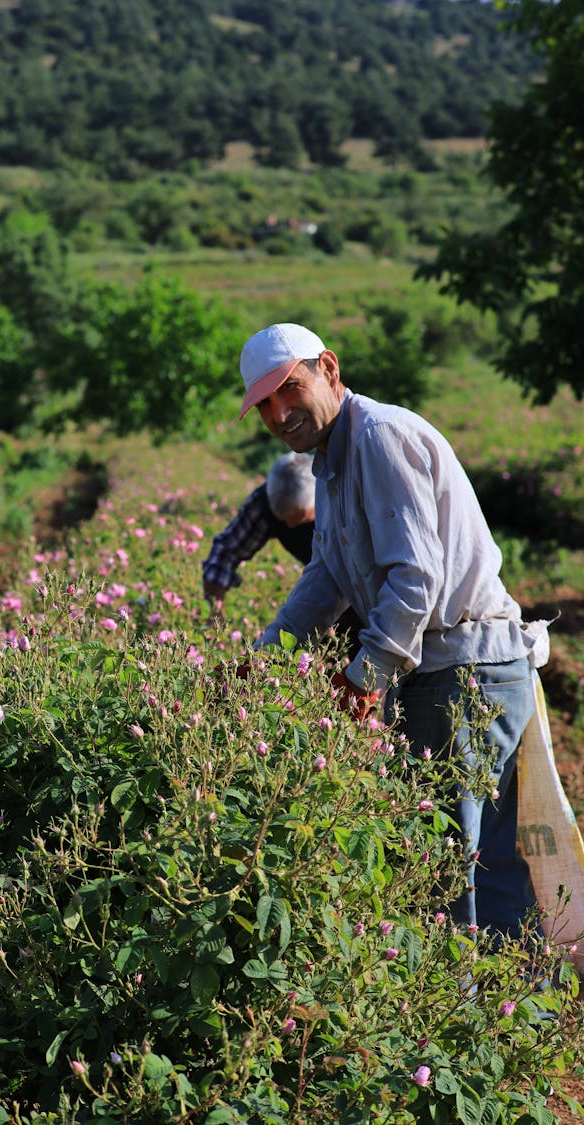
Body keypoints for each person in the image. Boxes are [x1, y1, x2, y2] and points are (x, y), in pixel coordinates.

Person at [237, 321, 547, 941]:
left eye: (289, 388)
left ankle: (470, 1025)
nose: (279, 413)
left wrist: (364, 675)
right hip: (458, 674)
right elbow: (326, 576)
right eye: (265, 404)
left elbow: (416, 577)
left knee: (445, 875)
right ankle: (513, 1018)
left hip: (464, 676)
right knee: (482, 869)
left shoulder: (378, 436)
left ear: (328, 367)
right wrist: (264, 660)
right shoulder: (332, 461)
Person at [202, 451, 316, 614]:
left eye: (298, 517)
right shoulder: (264, 502)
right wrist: (214, 614)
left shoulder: (337, 499)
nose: (290, 526)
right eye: (282, 518)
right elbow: (226, 552)